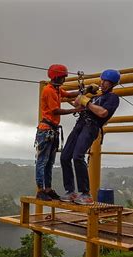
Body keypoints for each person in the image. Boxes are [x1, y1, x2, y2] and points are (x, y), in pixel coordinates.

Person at [59, 69, 121, 205]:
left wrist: (87, 102)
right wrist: (85, 92)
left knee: (77, 156)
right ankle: (70, 191)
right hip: (80, 124)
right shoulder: (95, 96)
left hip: (91, 126)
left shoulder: (112, 98)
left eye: (107, 82)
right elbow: (76, 103)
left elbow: (103, 113)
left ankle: (85, 193)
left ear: (112, 85)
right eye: (103, 80)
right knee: (64, 156)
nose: (103, 83)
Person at [34, 64, 85, 201]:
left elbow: (68, 94)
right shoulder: (49, 90)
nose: (64, 80)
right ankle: (40, 190)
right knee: (42, 161)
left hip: (52, 130)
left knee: (49, 162)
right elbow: (55, 110)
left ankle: (48, 189)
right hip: (46, 130)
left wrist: (83, 92)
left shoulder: (56, 89)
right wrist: (75, 110)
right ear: (56, 76)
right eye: (63, 77)